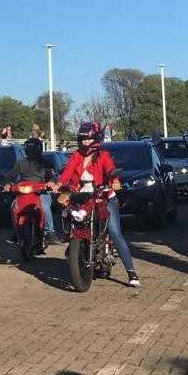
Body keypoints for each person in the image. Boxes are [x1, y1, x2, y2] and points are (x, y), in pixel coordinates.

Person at [57, 122, 140, 287]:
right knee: (70, 215)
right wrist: (58, 184)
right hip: (82, 198)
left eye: (88, 139)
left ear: (97, 139)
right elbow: (67, 174)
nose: (85, 142)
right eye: (82, 139)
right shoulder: (76, 156)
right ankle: (75, 247)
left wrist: (115, 181)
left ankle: (131, 272)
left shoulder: (103, 156)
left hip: (103, 196)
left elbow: (110, 170)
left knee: (115, 233)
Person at [3, 137, 59, 242]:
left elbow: (52, 176)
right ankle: (17, 230)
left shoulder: (46, 163)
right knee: (13, 206)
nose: (31, 151)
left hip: (41, 192)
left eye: (33, 148)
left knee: (44, 207)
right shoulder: (20, 163)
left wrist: (51, 182)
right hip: (24, 192)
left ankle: (50, 231)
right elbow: (12, 175)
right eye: (28, 148)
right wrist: (8, 183)